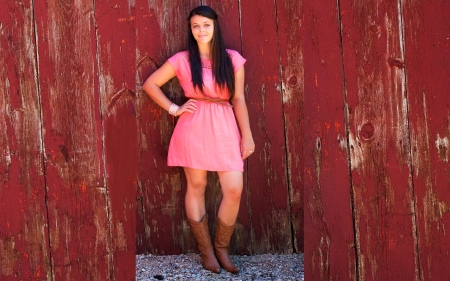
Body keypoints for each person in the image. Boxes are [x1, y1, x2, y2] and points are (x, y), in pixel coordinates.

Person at [143, 5, 254, 274]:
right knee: (197, 185)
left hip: (226, 125)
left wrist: (247, 135)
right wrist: (174, 109)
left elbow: (237, 98)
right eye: (195, 26)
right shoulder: (182, 59)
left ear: (215, 26)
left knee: (234, 189)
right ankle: (207, 252)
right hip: (193, 126)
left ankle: (222, 248)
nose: (201, 30)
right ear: (190, 30)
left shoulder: (232, 59)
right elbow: (150, 84)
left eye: (205, 24)